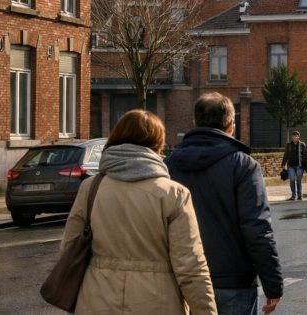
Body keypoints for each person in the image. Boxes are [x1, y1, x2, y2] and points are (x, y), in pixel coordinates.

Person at [62, 109, 217, 314]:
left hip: (97, 300)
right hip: (157, 302)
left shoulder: (90, 188)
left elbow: (69, 248)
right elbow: (190, 266)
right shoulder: (173, 194)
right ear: (157, 144)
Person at [167, 93, 283, 315]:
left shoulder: (170, 164)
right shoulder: (244, 166)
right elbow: (257, 228)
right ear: (230, 125)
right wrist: (273, 284)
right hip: (233, 282)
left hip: (184, 279)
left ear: (195, 122)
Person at [280, 130, 305, 201]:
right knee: (292, 180)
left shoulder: (302, 145)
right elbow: (286, 155)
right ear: (292, 137)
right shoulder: (288, 145)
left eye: (297, 136)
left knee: (298, 180)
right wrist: (283, 164)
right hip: (291, 166)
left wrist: (305, 165)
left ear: (299, 137)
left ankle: (300, 196)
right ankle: (293, 195)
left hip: (299, 166)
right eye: (294, 136)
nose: (295, 137)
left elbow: (305, 155)